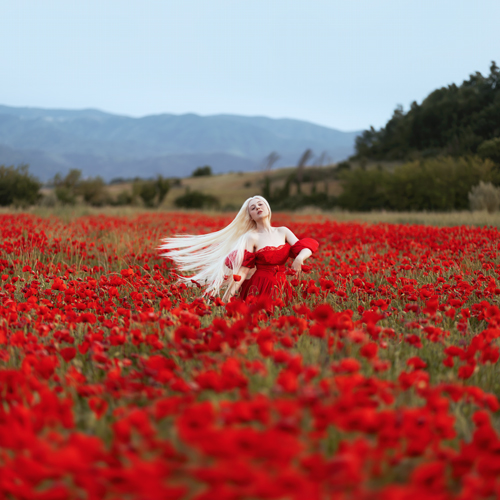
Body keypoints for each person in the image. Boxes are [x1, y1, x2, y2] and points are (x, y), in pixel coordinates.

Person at [159, 195, 319, 305]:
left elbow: (306, 247)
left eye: (260, 204)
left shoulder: (283, 231)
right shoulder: (252, 237)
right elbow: (243, 270)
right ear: (250, 216)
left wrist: (299, 259)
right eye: (253, 208)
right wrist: (226, 298)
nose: (257, 208)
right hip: (261, 286)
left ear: (268, 208)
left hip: (282, 286)